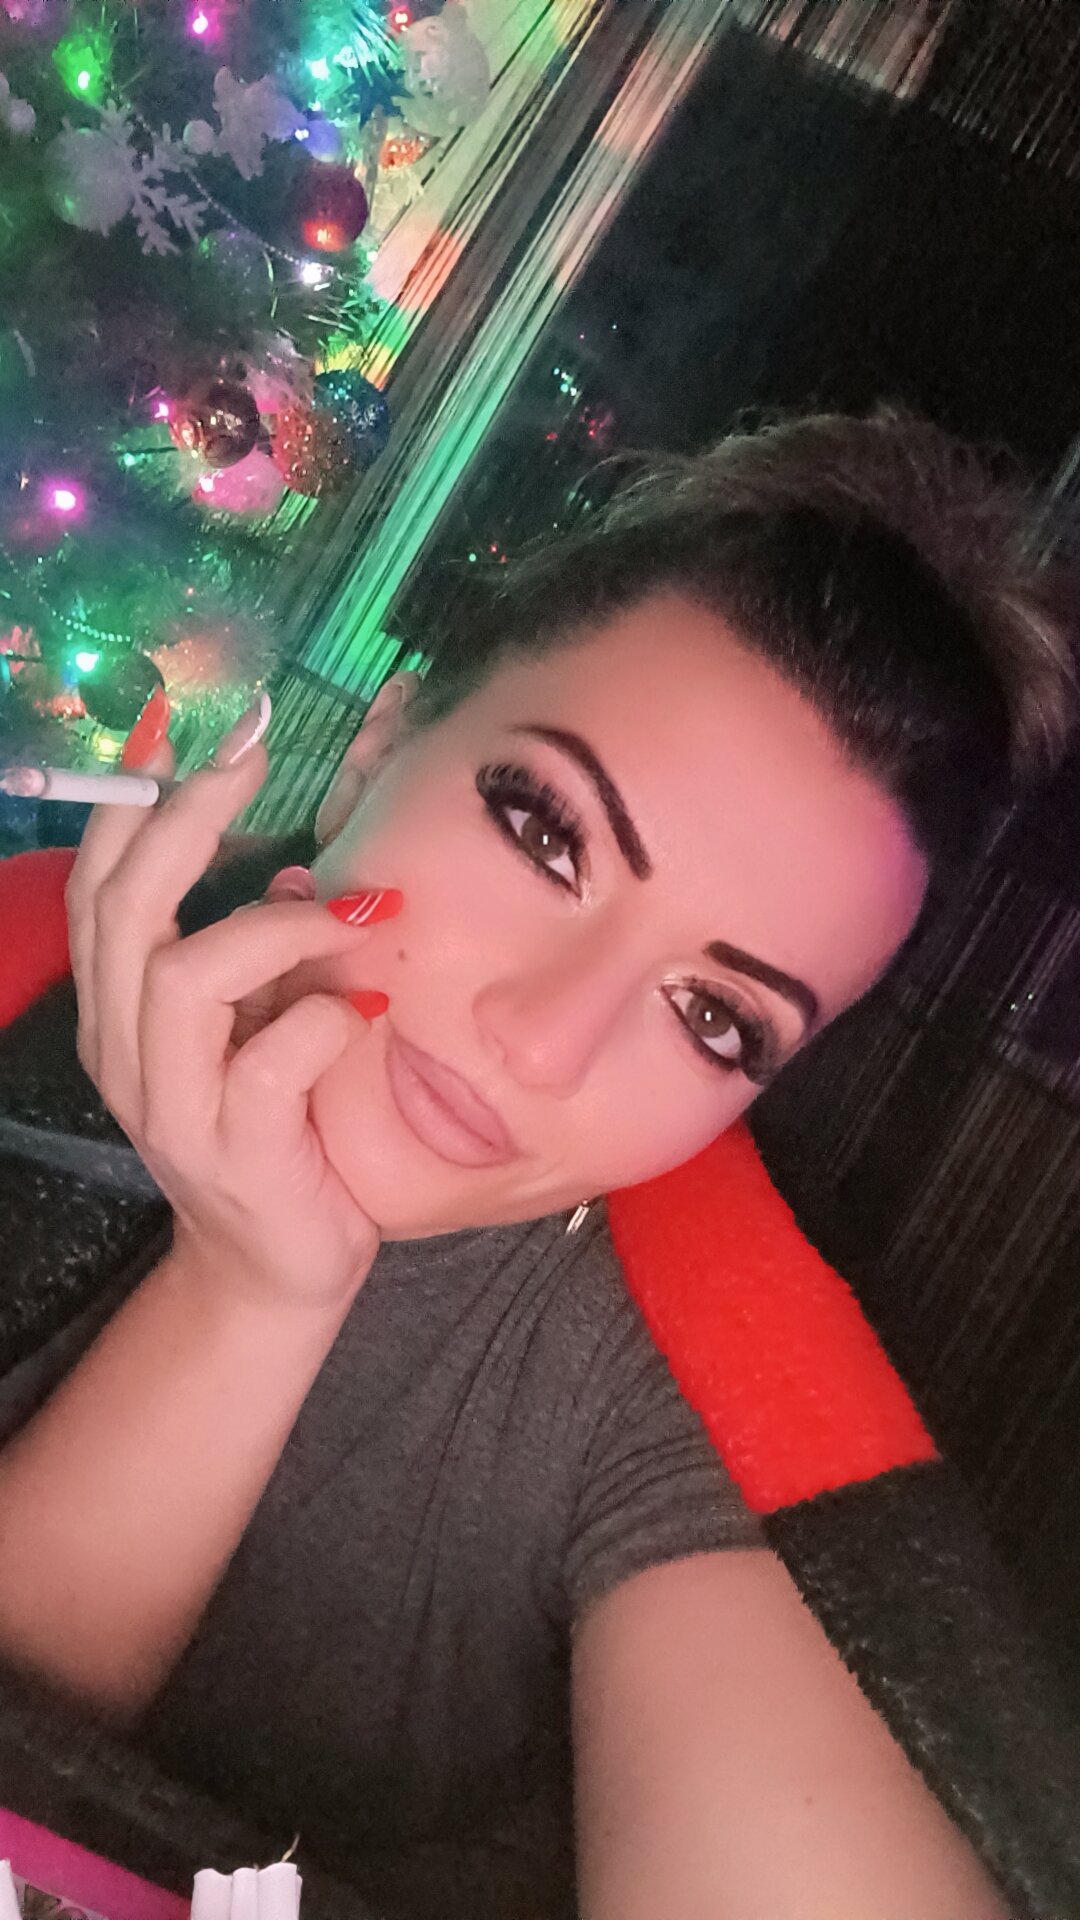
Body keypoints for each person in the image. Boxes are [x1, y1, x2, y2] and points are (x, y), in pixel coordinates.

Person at [0, 409, 1077, 1920]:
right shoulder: (20, 960)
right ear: (382, 738)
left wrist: (255, 1296)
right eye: (548, 833)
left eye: (715, 1016)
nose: (546, 1042)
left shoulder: (657, 1400)